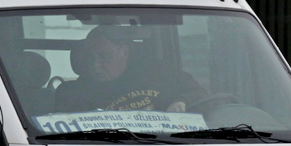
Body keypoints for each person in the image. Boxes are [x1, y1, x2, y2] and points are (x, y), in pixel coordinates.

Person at [55, 24, 206, 113]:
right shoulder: (74, 93)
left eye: (103, 56)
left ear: (124, 51)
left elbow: (201, 93)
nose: (95, 65)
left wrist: (182, 101)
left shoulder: (158, 72)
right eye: (91, 57)